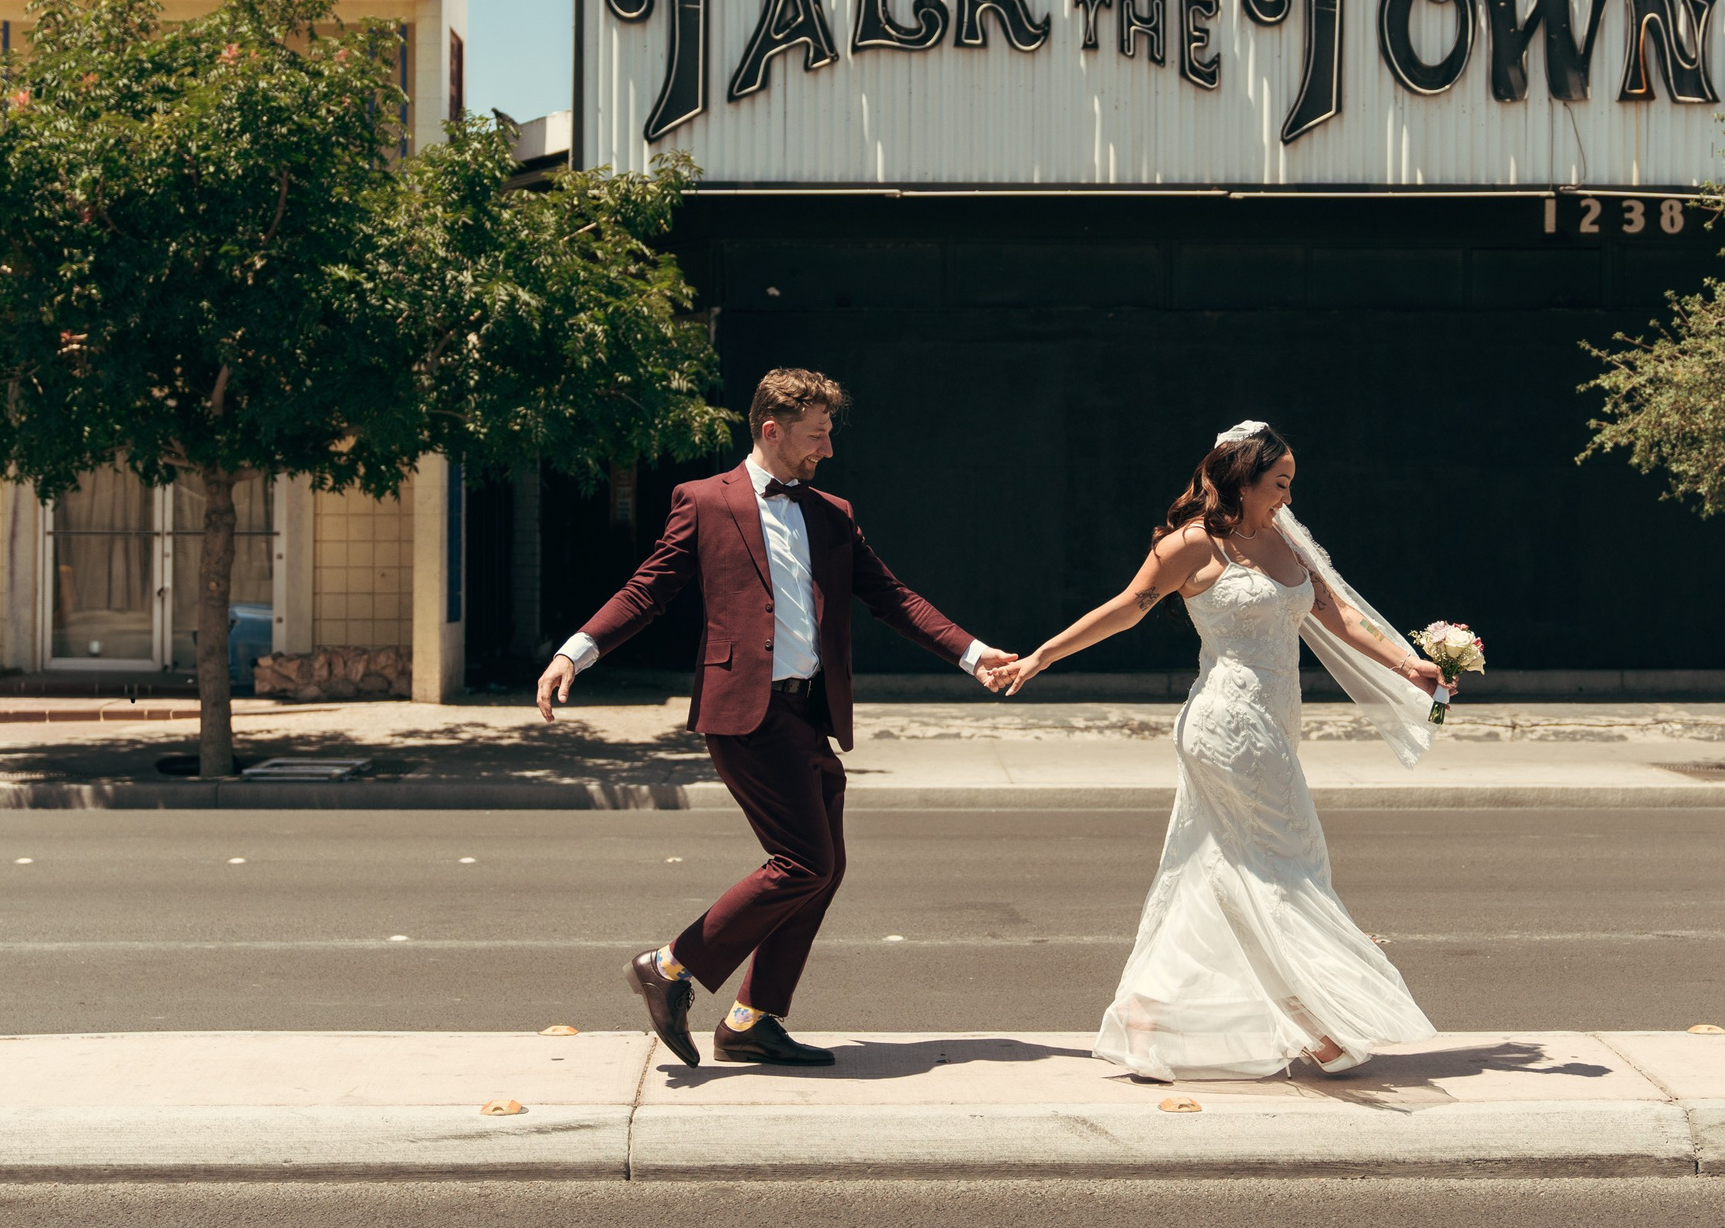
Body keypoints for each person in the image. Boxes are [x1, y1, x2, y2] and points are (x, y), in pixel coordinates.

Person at [535, 368, 1015, 1067]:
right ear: (772, 429)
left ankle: (751, 1019)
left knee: (826, 866)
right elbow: (647, 590)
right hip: (745, 712)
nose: (828, 447)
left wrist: (972, 654)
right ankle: (669, 966)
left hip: (810, 711)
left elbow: (893, 597)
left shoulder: (832, 512)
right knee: (804, 861)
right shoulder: (705, 501)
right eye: (817, 433)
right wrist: (575, 652)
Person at [995, 420, 1443, 1079]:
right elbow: (1127, 607)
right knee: (1286, 863)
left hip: (1275, 720)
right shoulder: (1193, 543)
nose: (1287, 496)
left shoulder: (1286, 541)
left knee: (1221, 864)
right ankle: (1315, 1018)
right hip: (1227, 722)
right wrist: (1041, 655)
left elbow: (1337, 613)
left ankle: (1150, 1008)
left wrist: (1408, 665)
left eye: (1290, 484)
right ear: (1242, 479)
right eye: (1279, 483)